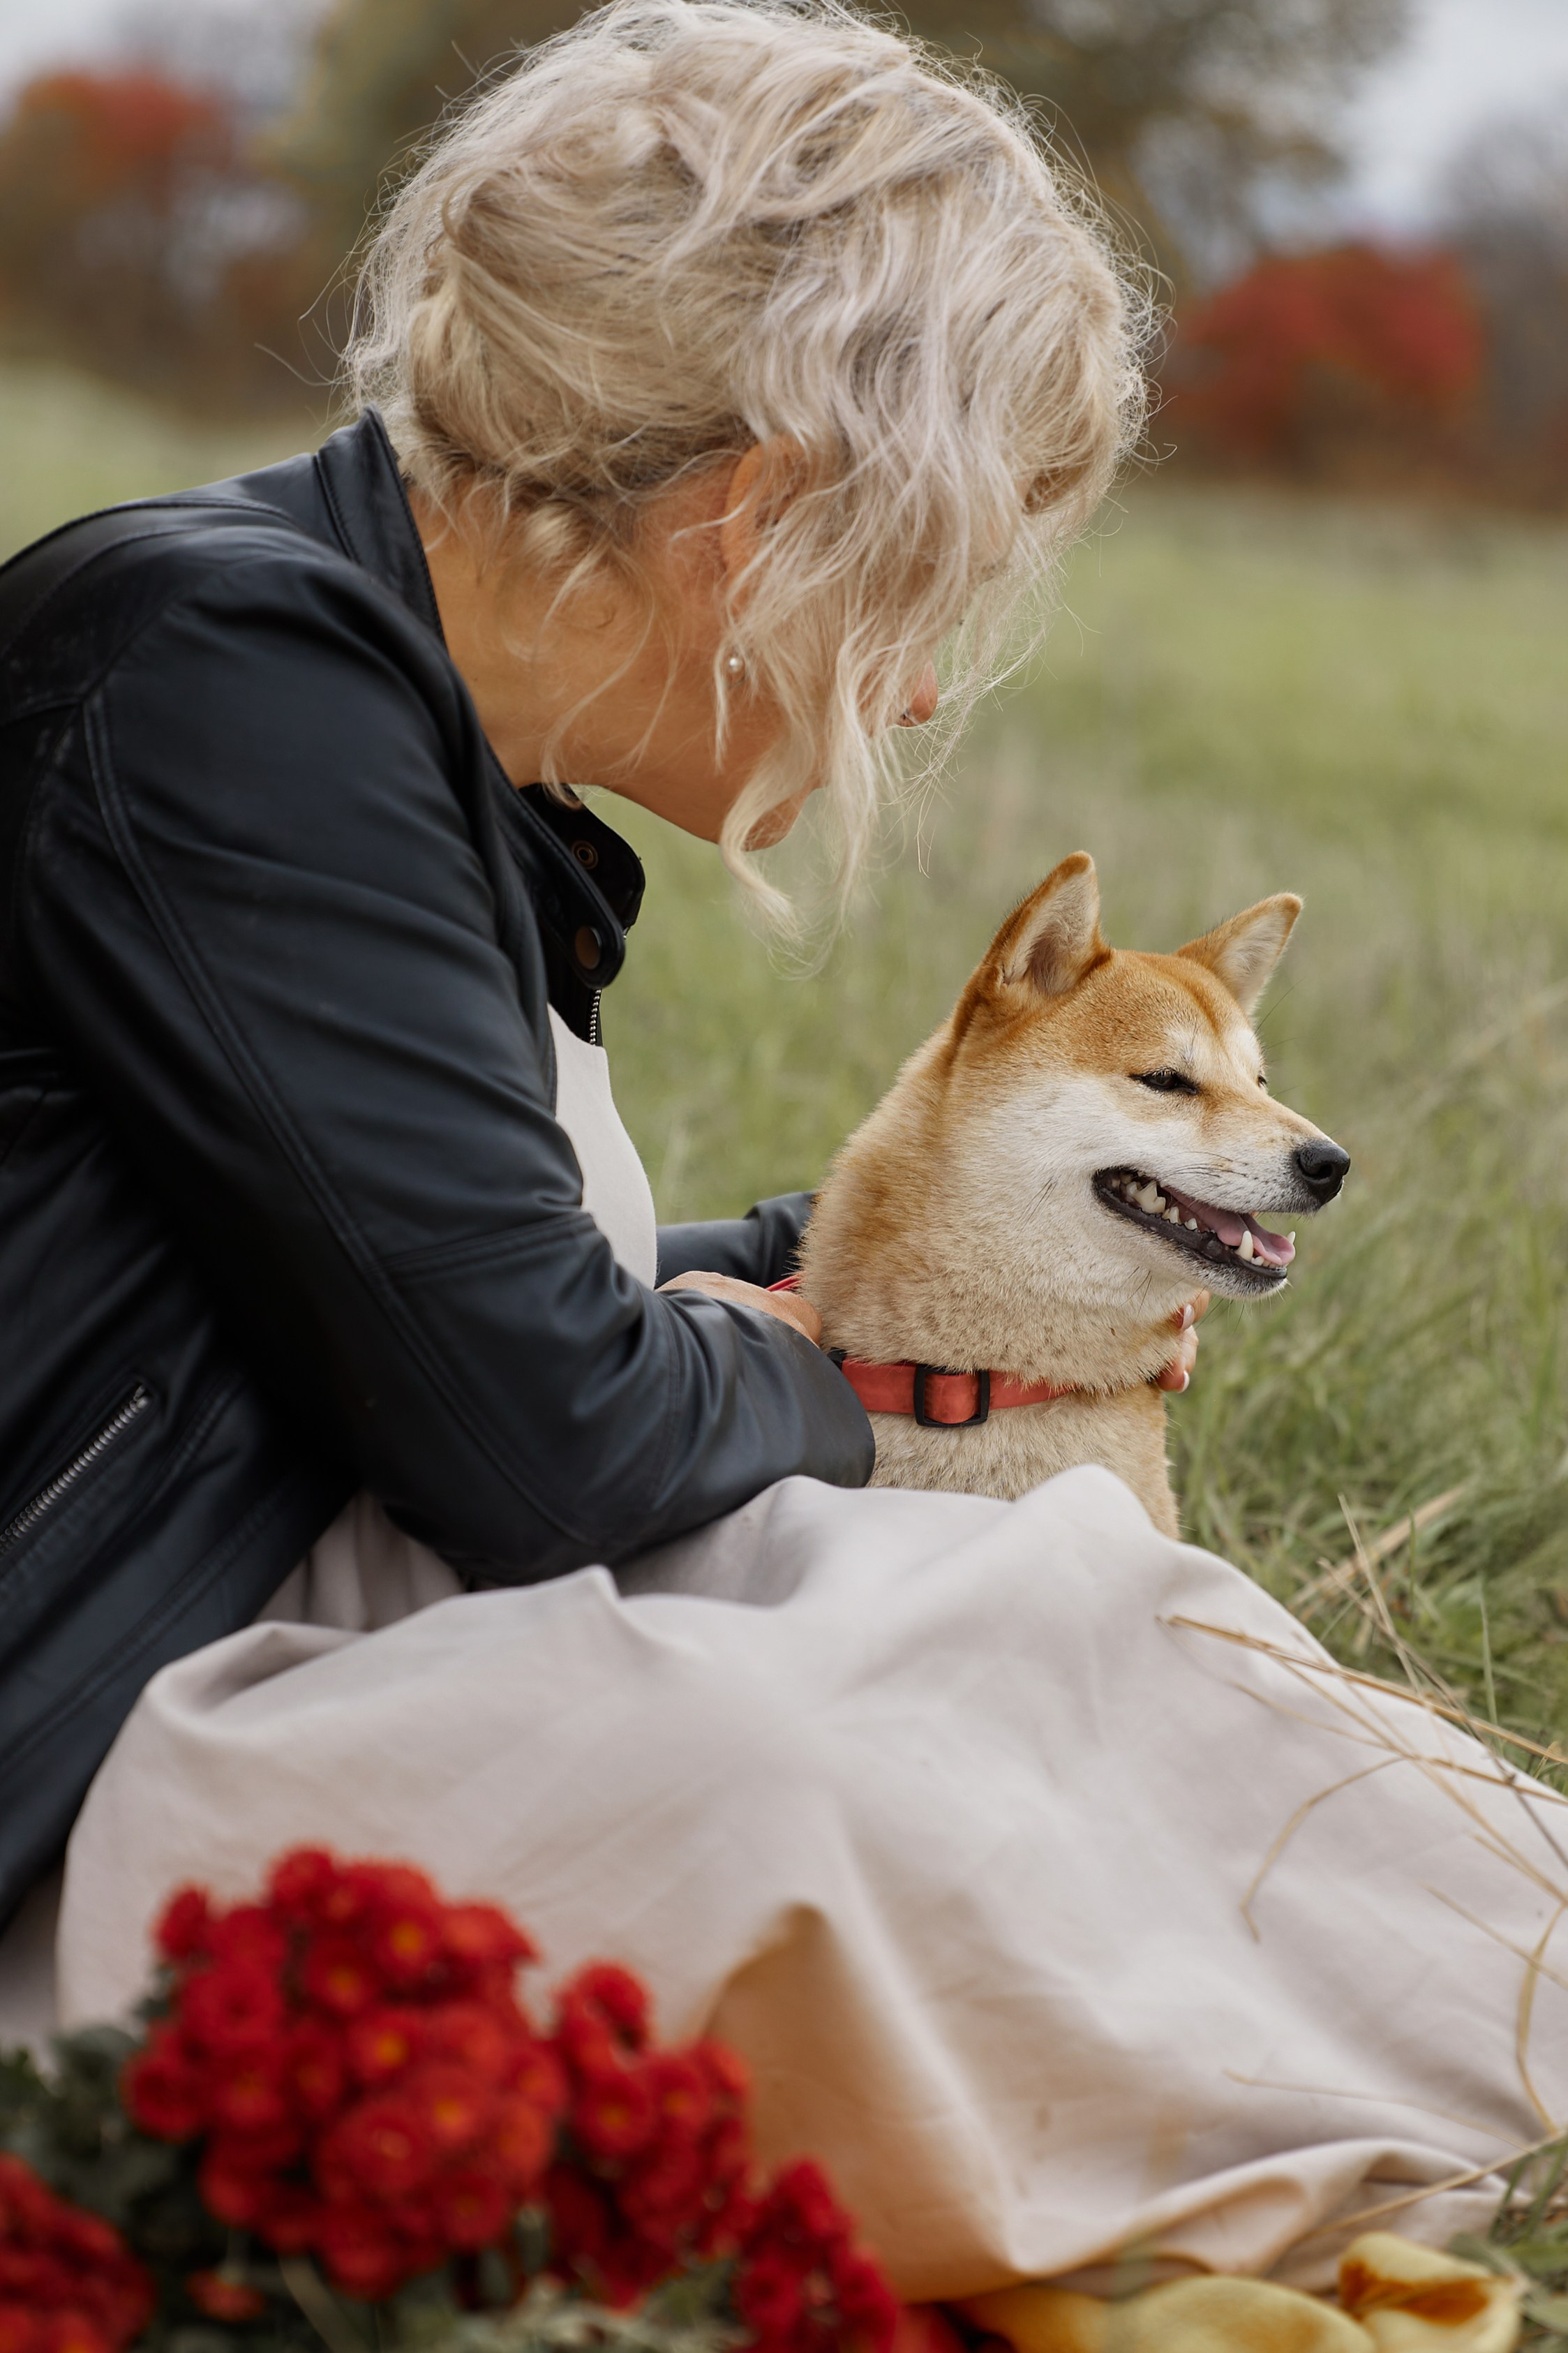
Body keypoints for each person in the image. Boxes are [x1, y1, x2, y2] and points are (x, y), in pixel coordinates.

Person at [3, 0, 1561, 2306]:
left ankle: (1478, 2003)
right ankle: (1411, 2060)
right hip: (88, 1765)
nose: (921, 695)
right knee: (839, 1740)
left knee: (1042, 1607)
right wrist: (875, 1375)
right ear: (750, 520)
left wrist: (909, 1324)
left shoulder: (417, 738)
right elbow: (544, 1438)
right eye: (922, 590)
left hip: (276, 1609)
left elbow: (417, 1282)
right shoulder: (231, 682)